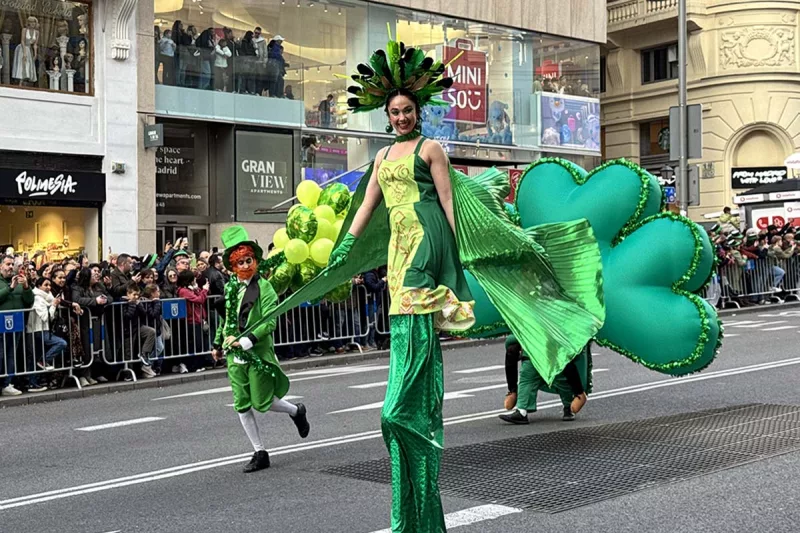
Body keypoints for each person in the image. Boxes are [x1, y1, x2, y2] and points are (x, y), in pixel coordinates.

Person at [248, 37, 604, 531]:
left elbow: (448, 201)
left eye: (406, 110)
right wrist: (347, 247)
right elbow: (367, 205)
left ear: (418, 111)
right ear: (386, 115)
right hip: (397, 245)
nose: (399, 117)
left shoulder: (431, 148)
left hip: (426, 238)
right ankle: (412, 460)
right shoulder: (380, 157)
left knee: (407, 346)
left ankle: (402, 412)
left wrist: (460, 247)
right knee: (402, 321)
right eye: (393, 112)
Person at [212, 226, 310, 472]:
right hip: (234, 353)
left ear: (255, 260)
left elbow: (270, 320)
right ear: (232, 266)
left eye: (248, 260)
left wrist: (248, 341)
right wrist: (217, 342)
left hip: (256, 349)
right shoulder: (229, 288)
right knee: (242, 403)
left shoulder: (264, 287)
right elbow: (226, 319)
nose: (245, 265)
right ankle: (259, 451)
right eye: (239, 262)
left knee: (261, 401)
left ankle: (295, 410)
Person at [499, 335, 588, 424]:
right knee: (560, 380)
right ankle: (568, 407)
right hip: (549, 356)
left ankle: (522, 411)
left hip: (536, 355)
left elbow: (512, 344)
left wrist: (512, 389)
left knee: (528, 381)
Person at [25, 277, 69, 392]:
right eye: (46, 285)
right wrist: (54, 305)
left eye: (49, 285)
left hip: (43, 329)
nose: (49, 287)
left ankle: (34, 382)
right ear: (39, 286)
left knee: (34, 356)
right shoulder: (37, 298)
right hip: (37, 330)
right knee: (61, 343)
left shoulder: (47, 298)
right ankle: (42, 365)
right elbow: (45, 317)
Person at [0, 255, 34, 396]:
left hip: (16, 324)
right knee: (1, 355)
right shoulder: (6, 283)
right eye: (7, 264)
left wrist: (26, 287)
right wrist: (10, 288)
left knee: (11, 355)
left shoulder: (20, 282)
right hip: (1, 324)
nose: (10, 267)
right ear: (0, 266)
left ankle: (7, 383)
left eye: (12, 264)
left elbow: (29, 301)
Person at [176, 270, 210, 372]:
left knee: (199, 343)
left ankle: (199, 364)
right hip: (191, 320)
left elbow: (198, 296)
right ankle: (193, 366)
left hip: (198, 318)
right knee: (195, 344)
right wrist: (204, 290)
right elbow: (199, 300)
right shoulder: (183, 291)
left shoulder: (188, 289)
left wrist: (197, 289)